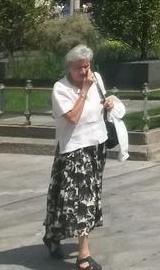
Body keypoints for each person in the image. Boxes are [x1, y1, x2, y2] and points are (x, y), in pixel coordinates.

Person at [43, 44, 115, 268]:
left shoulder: (97, 79)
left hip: (97, 144)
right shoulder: (60, 89)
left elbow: (99, 106)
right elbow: (72, 117)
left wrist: (108, 104)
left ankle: (53, 235)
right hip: (74, 148)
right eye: (79, 68)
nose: (85, 72)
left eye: (87, 66)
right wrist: (84, 90)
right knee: (81, 199)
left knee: (69, 196)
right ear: (69, 68)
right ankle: (84, 256)